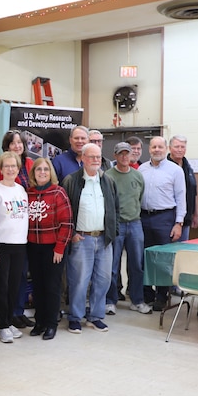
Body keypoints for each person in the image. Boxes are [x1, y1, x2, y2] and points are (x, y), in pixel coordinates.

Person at [62, 143, 119, 333]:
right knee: (79, 280)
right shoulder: (71, 181)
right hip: (81, 239)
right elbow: (65, 210)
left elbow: (115, 209)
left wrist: (113, 232)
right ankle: (75, 317)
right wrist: (72, 234)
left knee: (103, 280)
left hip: (104, 239)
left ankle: (95, 316)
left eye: (98, 157)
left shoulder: (108, 181)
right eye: (92, 157)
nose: (96, 160)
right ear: (83, 158)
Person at [26, 158, 73, 340]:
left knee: (52, 287)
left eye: (46, 169)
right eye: (39, 169)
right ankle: (40, 322)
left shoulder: (58, 192)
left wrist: (60, 248)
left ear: (50, 172)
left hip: (53, 248)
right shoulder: (28, 193)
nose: (42, 172)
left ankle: (51, 324)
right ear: (33, 173)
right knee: (37, 286)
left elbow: (67, 223)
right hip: (33, 246)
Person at [138, 136, 186, 311]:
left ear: (166, 148)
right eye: (153, 147)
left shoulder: (175, 170)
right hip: (143, 217)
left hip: (165, 218)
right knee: (144, 257)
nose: (157, 149)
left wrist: (178, 223)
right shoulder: (142, 169)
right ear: (149, 149)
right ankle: (146, 293)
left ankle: (161, 295)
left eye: (160, 146)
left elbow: (181, 198)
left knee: (163, 260)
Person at [0, 152, 29, 344]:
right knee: (1, 287)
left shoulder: (21, 190)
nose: (10, 169)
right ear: (1, 169)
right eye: (7, 166)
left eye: (14, 166)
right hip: (1, 246)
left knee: (14, 286)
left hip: (19, 245)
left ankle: (10, 320)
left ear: (18, 169)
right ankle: (3, 326)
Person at [104, 142, 151, 315]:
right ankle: (110, 301)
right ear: (115, 156)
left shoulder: (138, 176)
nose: (124, 157)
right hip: (116, 225)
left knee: (137, 264)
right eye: (120, 154)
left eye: (127, 154)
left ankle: (137, 300)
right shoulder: (107, 176)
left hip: (135, 223)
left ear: (132, 155)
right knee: (113, 265)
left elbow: (139, 198)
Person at [0, 129, 35, 329]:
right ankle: (7, 319)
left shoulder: (28, 168)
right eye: (13, 143)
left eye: (20, 142)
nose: (17, 145)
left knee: (20, 277)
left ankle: (17, 313)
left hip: (23, 238)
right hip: (3, 240)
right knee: (4, 283)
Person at [168, 135, 198, 242]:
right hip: (169, 219)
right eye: (177, 147)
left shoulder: (188, 167)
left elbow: (193, 192)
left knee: (181, 251)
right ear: (169, 148)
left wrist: (195, 214)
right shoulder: (165, 166)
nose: (180, 150)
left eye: (182, 147)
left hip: (186, 219)